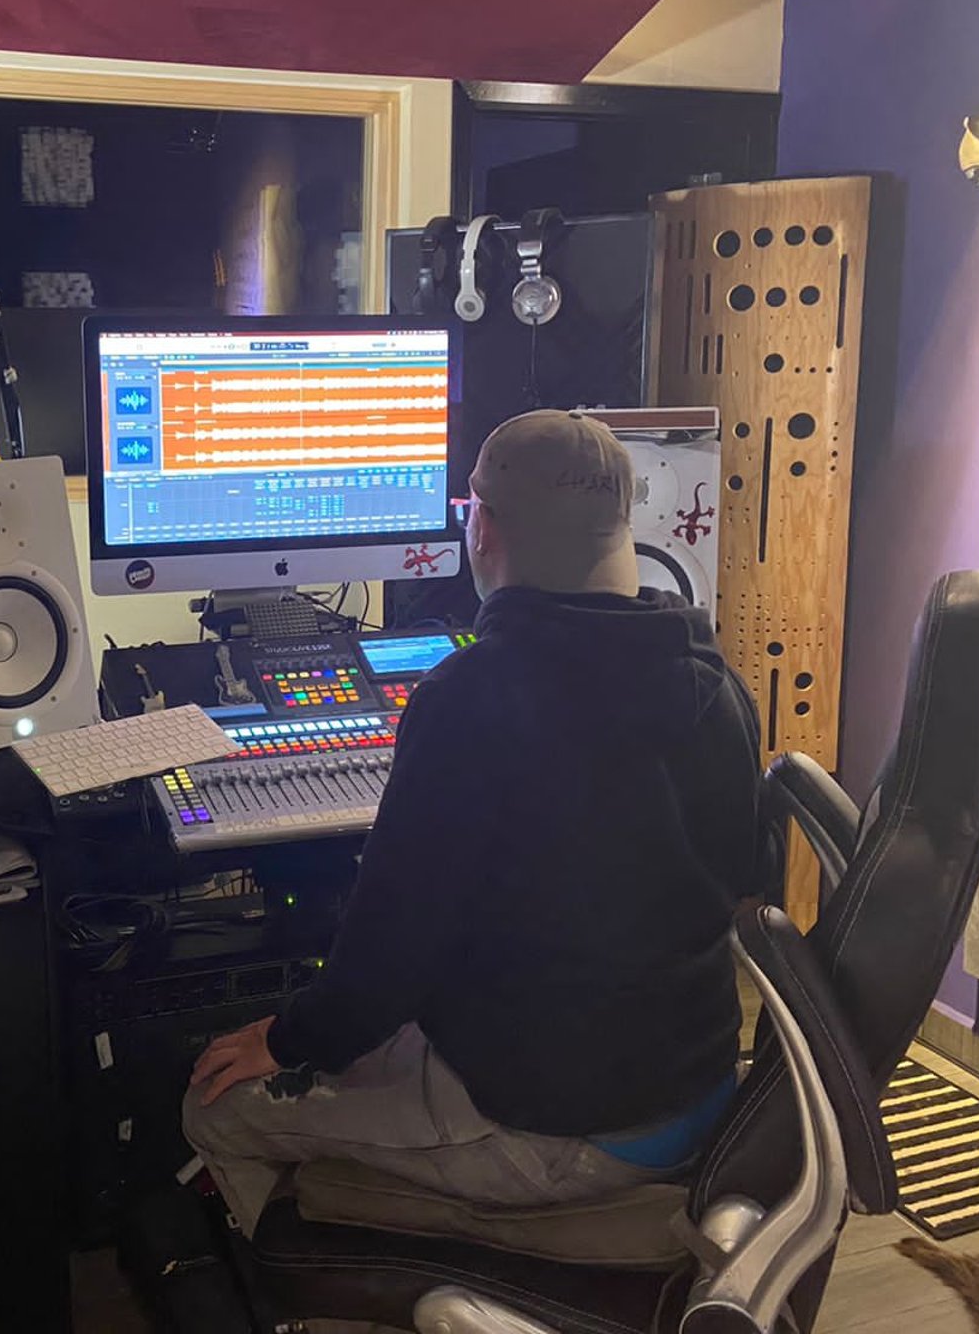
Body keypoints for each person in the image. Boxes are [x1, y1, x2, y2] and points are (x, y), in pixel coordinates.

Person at [182, 409, 769, 1237]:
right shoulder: (718, 685)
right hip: (699, 1092)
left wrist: (285, 1040)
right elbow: (744, 883)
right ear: (623, 527)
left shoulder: (471, 697)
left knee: (216, 1110)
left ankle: (337, 1287)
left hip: (553, 1123)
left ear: (481, 527)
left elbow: (387, 957)